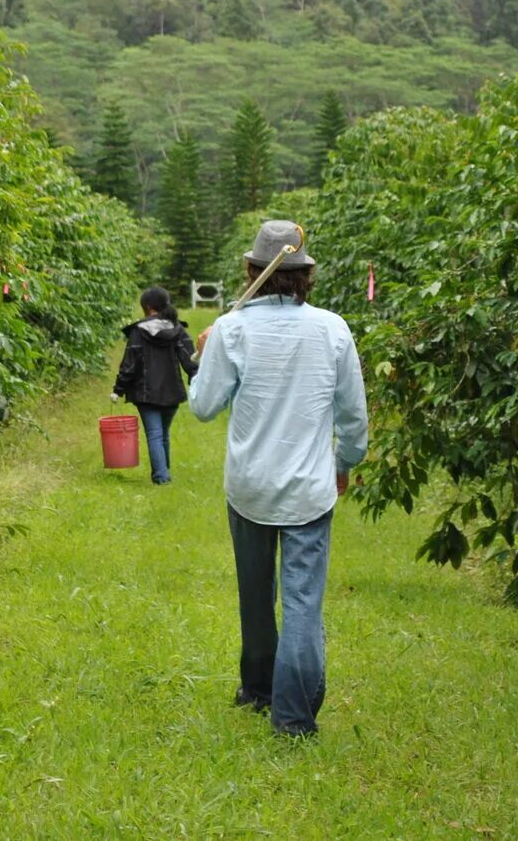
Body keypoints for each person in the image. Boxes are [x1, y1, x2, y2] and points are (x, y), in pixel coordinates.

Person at [187, 219, 368, 738]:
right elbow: (353, 416)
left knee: (255, 592)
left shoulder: (232, 328)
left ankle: (259, 689)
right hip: (309, 490)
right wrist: (345, 462)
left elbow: (202, 406)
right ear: (306, 276)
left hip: (248, 487)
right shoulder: (332, 328)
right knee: (303, 603)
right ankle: (291, 716)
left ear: (252, 272)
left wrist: (205, 354)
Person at [111, 287, 199, 485]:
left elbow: (130, 364)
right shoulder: (178, 329)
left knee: (154, 433)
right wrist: (195, 378)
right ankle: (163, 473)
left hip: (145, 392)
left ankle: (161, 477)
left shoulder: (138, 332)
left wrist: (118, 389)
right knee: (162, 433)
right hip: (172, 391)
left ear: (148, 307)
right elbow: (190, 359)